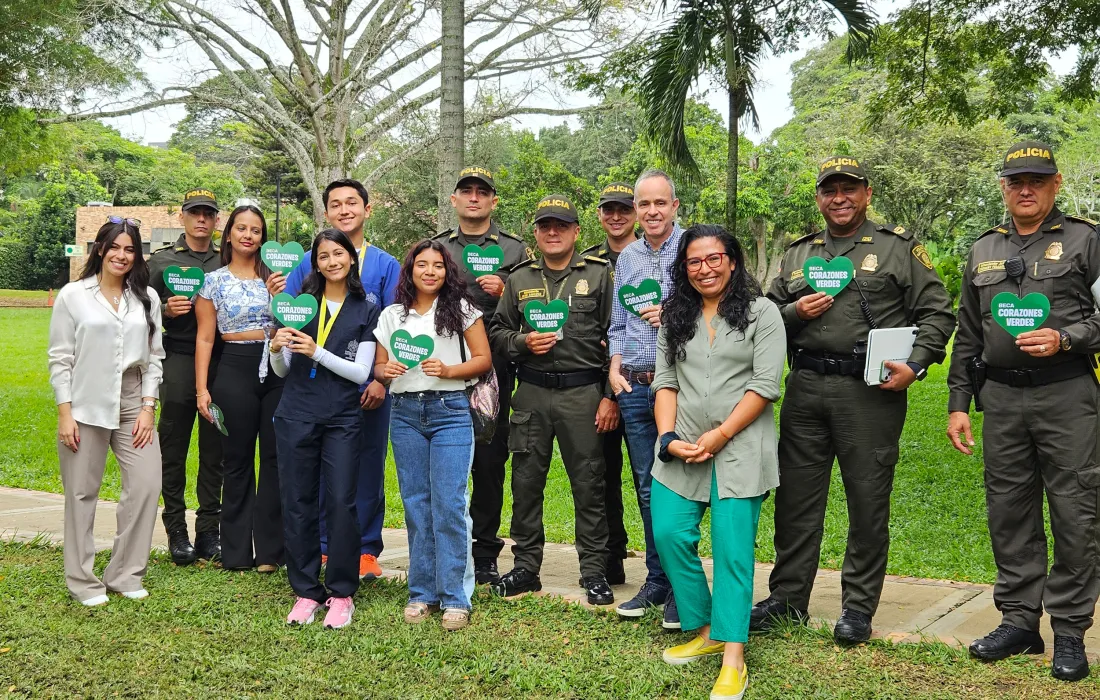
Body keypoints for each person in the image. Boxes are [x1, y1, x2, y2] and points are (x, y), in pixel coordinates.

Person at [759, 156, 955, 645]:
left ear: (866, 194)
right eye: (830, 190)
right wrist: (794, 312)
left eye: (849, 189)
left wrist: (917, 363)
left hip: (869, 392)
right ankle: (787, 599)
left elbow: (938, 314)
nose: (839, 198)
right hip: (805, 388)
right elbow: (762, 317)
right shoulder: (799, 254)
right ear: (819, 198)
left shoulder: (897, 249)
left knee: (867, 501)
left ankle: (857, 608)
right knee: (796, 501)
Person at [946, 141, 1100, 681]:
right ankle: (1018, 620)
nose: (1025, 188)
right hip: (1002, 400)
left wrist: (1067, 338)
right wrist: (959, 402)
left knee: (1075, 510)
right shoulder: (984, 249)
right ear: (1004, 187)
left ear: (1056, 184)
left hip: (1067, 395)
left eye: (1036, 179)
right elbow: (968, 332)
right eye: (1016, 180)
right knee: (1008, 510)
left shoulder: (1087, 240)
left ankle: (1071, 630)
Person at [652, 225, 785, 700]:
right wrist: (667, 437)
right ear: (683, 268)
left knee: (732, 550)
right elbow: (665, 380)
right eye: (694, 261)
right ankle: (706, 627)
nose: (704, 269)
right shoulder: (676, 315)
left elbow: (766, 385)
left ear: (732, 261)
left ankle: (733, 656)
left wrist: (721, 434)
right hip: (683, 444)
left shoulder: (762, 313)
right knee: (668, 532)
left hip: (741, 447)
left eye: (713, 259)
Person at [267, 178, 400, 579]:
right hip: (309, 390)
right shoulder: (307, 264)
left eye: (352, 203)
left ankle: (365, 549)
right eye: (336, 204)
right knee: (318, 471)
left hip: (365, 387)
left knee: (366, 466)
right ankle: (322, 547)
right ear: (326, 213)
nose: (345, 210)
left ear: (367, 209)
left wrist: (379, 381)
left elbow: (391, 325)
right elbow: (287, 318)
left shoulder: (385, 264)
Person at [489, 194, 618, 606]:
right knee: (526, 483)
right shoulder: (520, 278)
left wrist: (609, 395)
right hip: (531, 391)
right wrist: (523, 341)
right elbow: (497, 332)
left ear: (577, 231)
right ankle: (526, 568)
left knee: (589, 483)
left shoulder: (599, 275)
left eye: (561, 225)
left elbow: (618, 336)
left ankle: (594, 572)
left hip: (583, 393)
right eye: (545, 225)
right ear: (536, 232)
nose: (552, 232)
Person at [374, 240, 493, 630]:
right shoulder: (393, 315)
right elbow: (379, 364)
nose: (429, 271)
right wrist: (385, 371)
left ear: (447, 271)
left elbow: (483, 360)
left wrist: (448, 370)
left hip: (450, 411)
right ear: (409, 271)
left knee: (449, 503)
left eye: (438, 265)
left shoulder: (462, 310)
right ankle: (422, 592)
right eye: (421, 265)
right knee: (415, 503)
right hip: (405, 414)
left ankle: (456, 597)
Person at [48, 218, 165, 605]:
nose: (121, 255)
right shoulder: (73, 295)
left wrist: (149, 407)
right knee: (82, 492)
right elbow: (61, 359)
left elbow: (155, 358)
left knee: (146, 485)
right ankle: (82, 580)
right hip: (85, 399)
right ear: (100, 249)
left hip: (134, 399)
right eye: (114, 247)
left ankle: (125, 573)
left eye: (130, 249)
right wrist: (66, 412)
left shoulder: (146, 297)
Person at [270, 229, 381, 629]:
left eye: (339, 254)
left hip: (342, 418)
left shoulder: (366, 307)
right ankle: (305, 591)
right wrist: (276, 347)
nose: (332, 261)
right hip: (296, 413)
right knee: (297, 501)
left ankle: (341, 592)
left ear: (351, 258)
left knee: (340, 502)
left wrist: (316, 351)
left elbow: (361, 373)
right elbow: (283, 371)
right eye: (323, 256)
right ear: (315, 263)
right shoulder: (299, 304)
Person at [432, 166, 534, 585]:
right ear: (454, 200)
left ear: (493, 201)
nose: (474, 197)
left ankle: (486, 551)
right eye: (466, 191)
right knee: (443, 456)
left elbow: (534, 306)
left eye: (482, 192)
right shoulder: (437, 248)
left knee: (490, 460)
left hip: (495, 366)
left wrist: (505, 290)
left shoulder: (515, 250)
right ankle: (444, 547)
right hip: (440, 362)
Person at [607, 170, 680, 627]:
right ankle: (655, 581)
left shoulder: (695, 249)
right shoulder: (628, 258)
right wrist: (613, 367)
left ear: (675, 206)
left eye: (660, 203)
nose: (651, 211)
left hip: (679, 386)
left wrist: (671, 314)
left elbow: (718, 307)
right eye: (644, 204)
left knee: (681, 489)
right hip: (633, 385)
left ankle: (682, 585)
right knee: (648, 486)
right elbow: (617, 322)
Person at [194, 205, 284, 572]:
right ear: (228, 233)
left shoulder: (279, 278)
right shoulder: (212, 281)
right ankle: (234, 552)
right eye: (241, 228)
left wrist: (279, 295)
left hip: (277, 370)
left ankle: (270, 553)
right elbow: (205, 338)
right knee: (237, 460)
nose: (248, 235)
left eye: (256, 230)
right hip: (234, 369)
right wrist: (202, 390)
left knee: (276, 460)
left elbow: (293, 324)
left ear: (263, 238)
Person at [147, 188, 224, 565]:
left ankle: (210, 529)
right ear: (182, 216)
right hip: (177, 356)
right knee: (172, 447)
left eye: (208, 214)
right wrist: (164, 310)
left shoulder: (227, 261)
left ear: (216, 220)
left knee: (215, 450)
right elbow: (137, 308)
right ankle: (176, 529)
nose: (201, 219)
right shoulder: (162, 261)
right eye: (195, 212)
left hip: (220, 361)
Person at [581, 181, 637, 586]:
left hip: (643, 381)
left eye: (623, 209)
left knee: (649, 478)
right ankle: (611, 555)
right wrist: (606, 391)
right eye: (608, 210)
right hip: (597, 382)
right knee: (602, 474)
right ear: (599, 215)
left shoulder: (656, 257)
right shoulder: (586, 263)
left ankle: (662, 564)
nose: (616, 217)